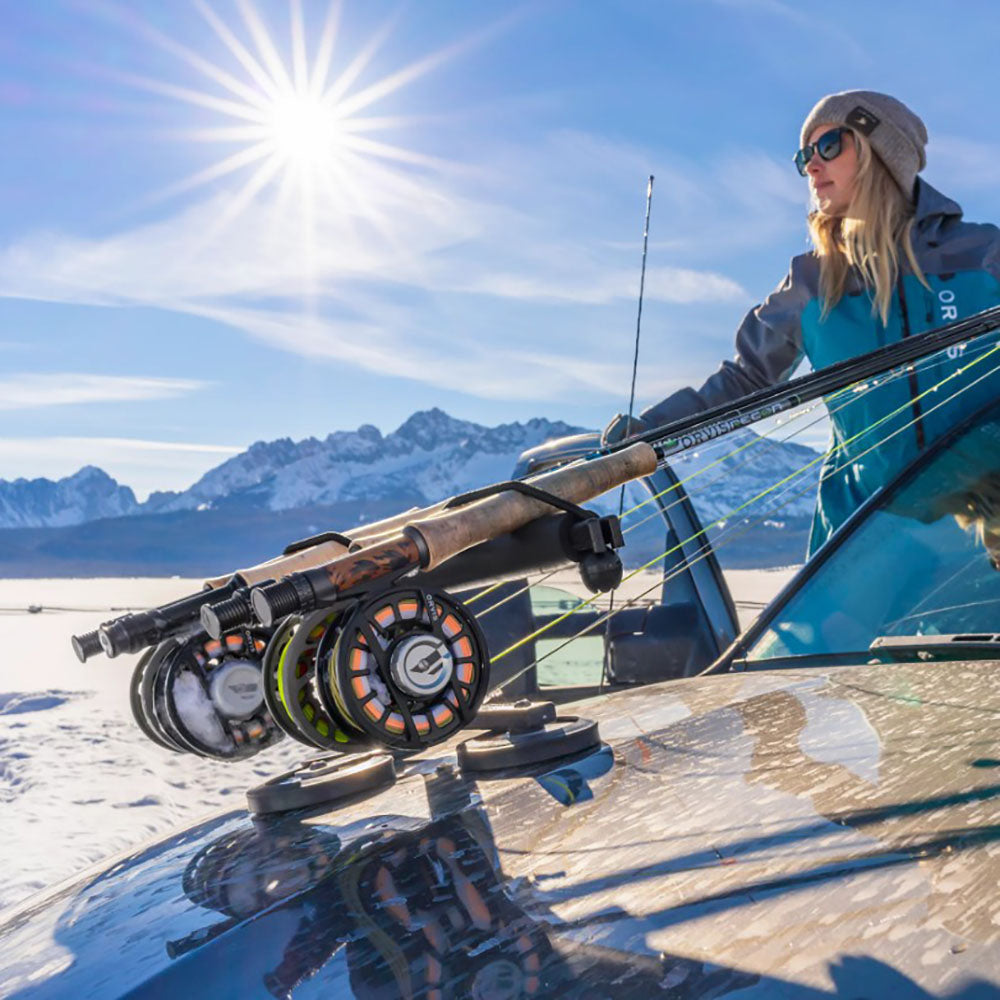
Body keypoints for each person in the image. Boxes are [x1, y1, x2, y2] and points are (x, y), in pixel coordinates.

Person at [604, 90, 1000, 556]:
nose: (812, 166)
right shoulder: (811, 279)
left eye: (829, 145)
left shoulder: (983, 256)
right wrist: (648, 435)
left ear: (883, 155)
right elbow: (746, 379)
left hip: (984, 537)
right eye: (803, 156)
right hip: (862, 536)